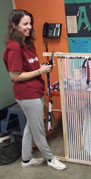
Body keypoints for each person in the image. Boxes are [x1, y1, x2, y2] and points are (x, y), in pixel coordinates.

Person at [2, 9, 66, 170]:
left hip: (36, 91)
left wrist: (42, 68)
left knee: (30, 127)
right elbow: (15, 76)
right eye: (25, 24)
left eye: (30, 23)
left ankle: (26, 160)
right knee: (38, 130)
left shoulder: (27, 44)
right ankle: (50, 159)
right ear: (14, 25)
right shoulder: (14, 48)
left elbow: (30, 66)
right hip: (27, 95)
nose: (29, 27)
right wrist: (39, 72)